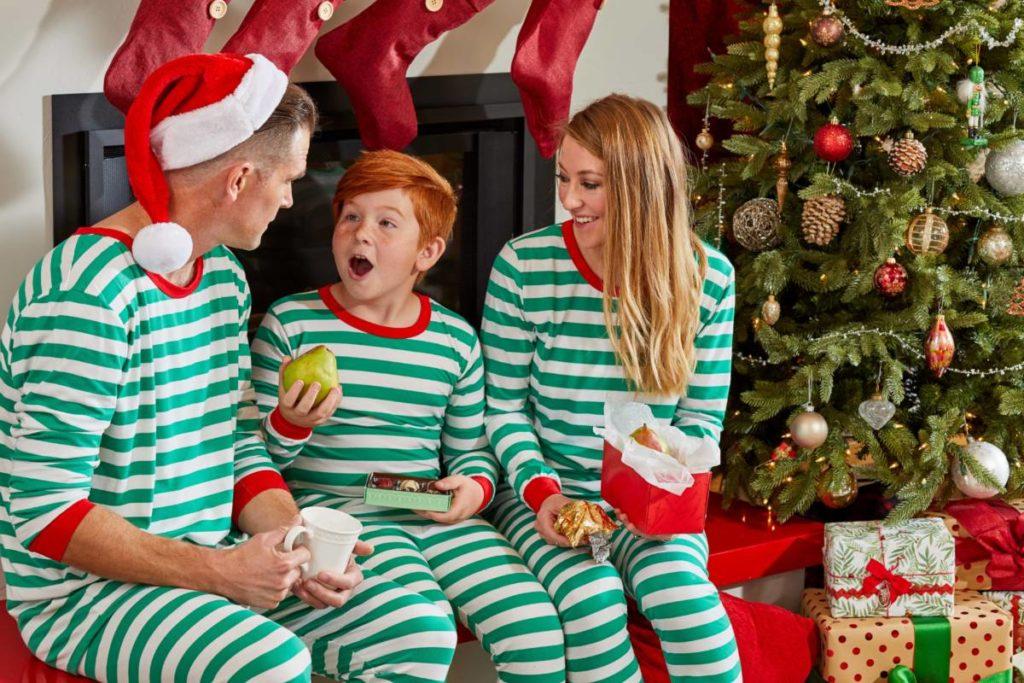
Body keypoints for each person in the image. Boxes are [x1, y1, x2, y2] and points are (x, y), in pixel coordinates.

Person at [0, 53, 454, 682]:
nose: (294, 199)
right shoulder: (89, 295)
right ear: (239, 180)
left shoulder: (222, 280)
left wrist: (295, 541)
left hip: (210, 560)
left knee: (418, 632)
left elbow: (239, 445)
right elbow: (45, 513)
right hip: (83, 596)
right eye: (289, 178)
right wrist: (221, 573)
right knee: (273, 664)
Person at [251, 149, 567, 683]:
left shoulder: (453, 340)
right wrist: (291, 421)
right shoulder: (291, 325)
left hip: (425, 505)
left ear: (428, 251)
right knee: (425, 625)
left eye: (385, 223)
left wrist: (473, 491)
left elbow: (471, 450)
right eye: (350, 216)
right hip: (342, 518)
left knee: (535, 628)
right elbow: (257, 458)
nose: (361, 233)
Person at [481, 93, 742, 682]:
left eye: (590, 184)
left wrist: (656, 488)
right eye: (563, 178)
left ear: (641, 189)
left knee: (692, 612)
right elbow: (502, 410)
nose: (569, 199)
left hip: (654, 503)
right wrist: (546, 495)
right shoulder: (525, 267)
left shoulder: (710, 279)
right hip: (545, 496)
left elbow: (700, 424)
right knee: (593, 604)